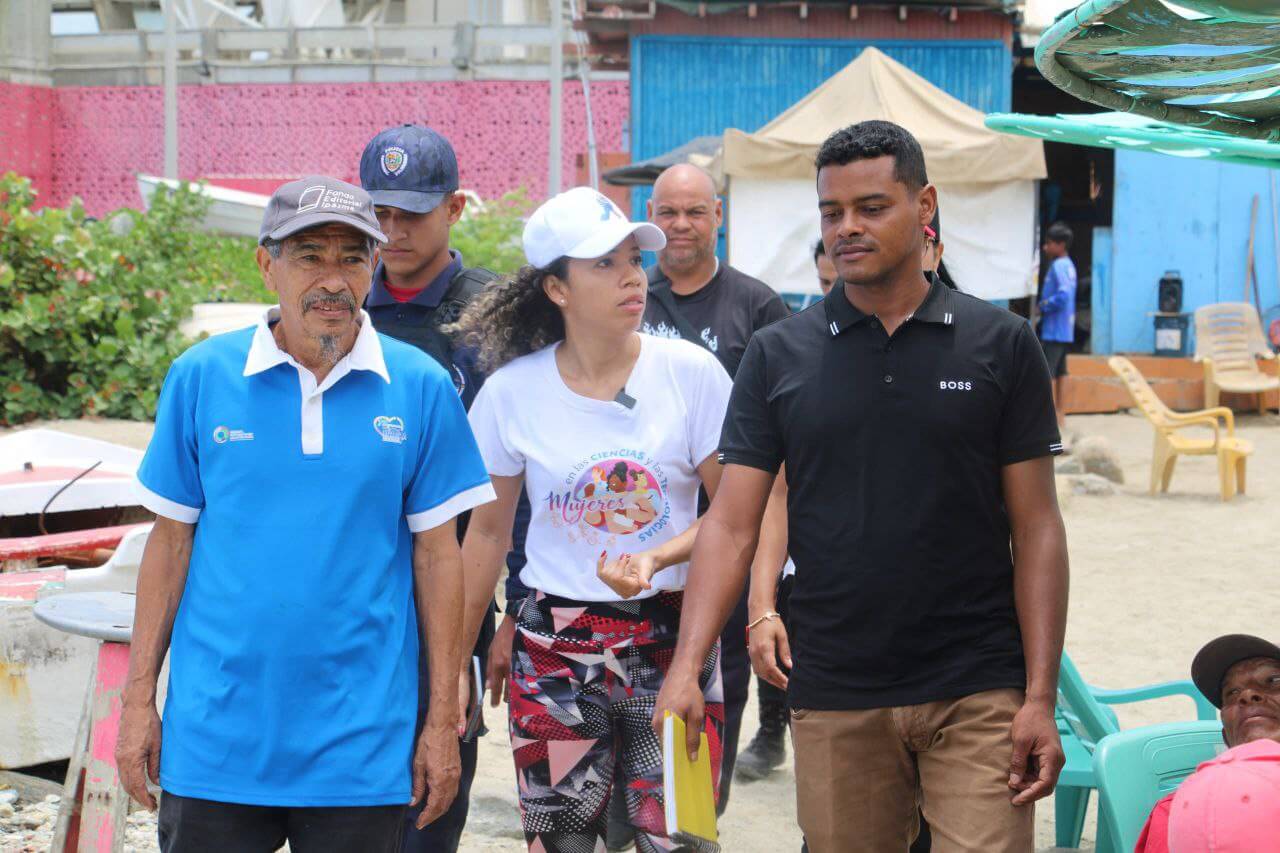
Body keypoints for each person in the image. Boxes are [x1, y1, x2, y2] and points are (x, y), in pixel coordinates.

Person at [654, 120, 1070, 853]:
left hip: (977, 683)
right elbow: (731, 522)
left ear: (925, 204)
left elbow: (1037, 526)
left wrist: (1039, 696)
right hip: (836, 685)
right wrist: (688, 666)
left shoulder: (1001, 343)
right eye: (831, 211)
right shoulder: (779, 354)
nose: (847, 227)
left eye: (871, 207)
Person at [116, 177, 496, 852]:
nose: (332, 277)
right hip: (216, 739)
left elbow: (439, 558)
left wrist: (441, 719)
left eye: (351, 257)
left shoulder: (419, 387)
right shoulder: (202, 376)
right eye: (309, 254)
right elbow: (170, 546)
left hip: (362, 745)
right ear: (267, 264)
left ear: (373, 268)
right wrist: (138, 701)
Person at [449, 187, 733, 853]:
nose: (632, 275)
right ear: (557, 288)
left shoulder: (692, 375)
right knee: (562, 842)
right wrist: (454, 665)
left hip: (675, 643)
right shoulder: (510, 392)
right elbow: (485, 535)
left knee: (682, 837)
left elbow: (735, 514)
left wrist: (659, 557)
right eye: (603, 264)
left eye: (634, 259)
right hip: (554, 653)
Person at [358, 123, 509, 853]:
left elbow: (530, 474)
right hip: (352, 593)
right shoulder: (339, 305)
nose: (392, 232)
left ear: (453, 208)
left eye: (411, 214)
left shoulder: (498, 316)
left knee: (430, 796)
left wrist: (518, 608)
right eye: (378, 214)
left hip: (455, 594)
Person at [636, 162, 790, 821]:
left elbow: (785, 431)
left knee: (712, 689)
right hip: (643, 542)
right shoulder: (631, 297)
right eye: (667, 212)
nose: (680, 225)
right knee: (640, 704)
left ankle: (697, 817)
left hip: (731, 535)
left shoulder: (757, 306)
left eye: (694, 212)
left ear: (718, 217)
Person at [1135, 633, 1280, 852]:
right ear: (1226, 736)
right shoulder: (1181, 813)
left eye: (1274, 681)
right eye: (1232, 692)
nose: (1248, 695)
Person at [1038, 221, 1076, 432]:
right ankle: (1061, 413)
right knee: (1062, 372)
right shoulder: (1069, 265)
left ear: (1060, 245)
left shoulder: (1058, 266)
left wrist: (1044, 305)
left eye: (1049, 243)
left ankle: (1051, 415)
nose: (1046, 247)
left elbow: (1063, 294)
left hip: (1053, 328)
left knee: (1048, 373)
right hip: (1065, 329)